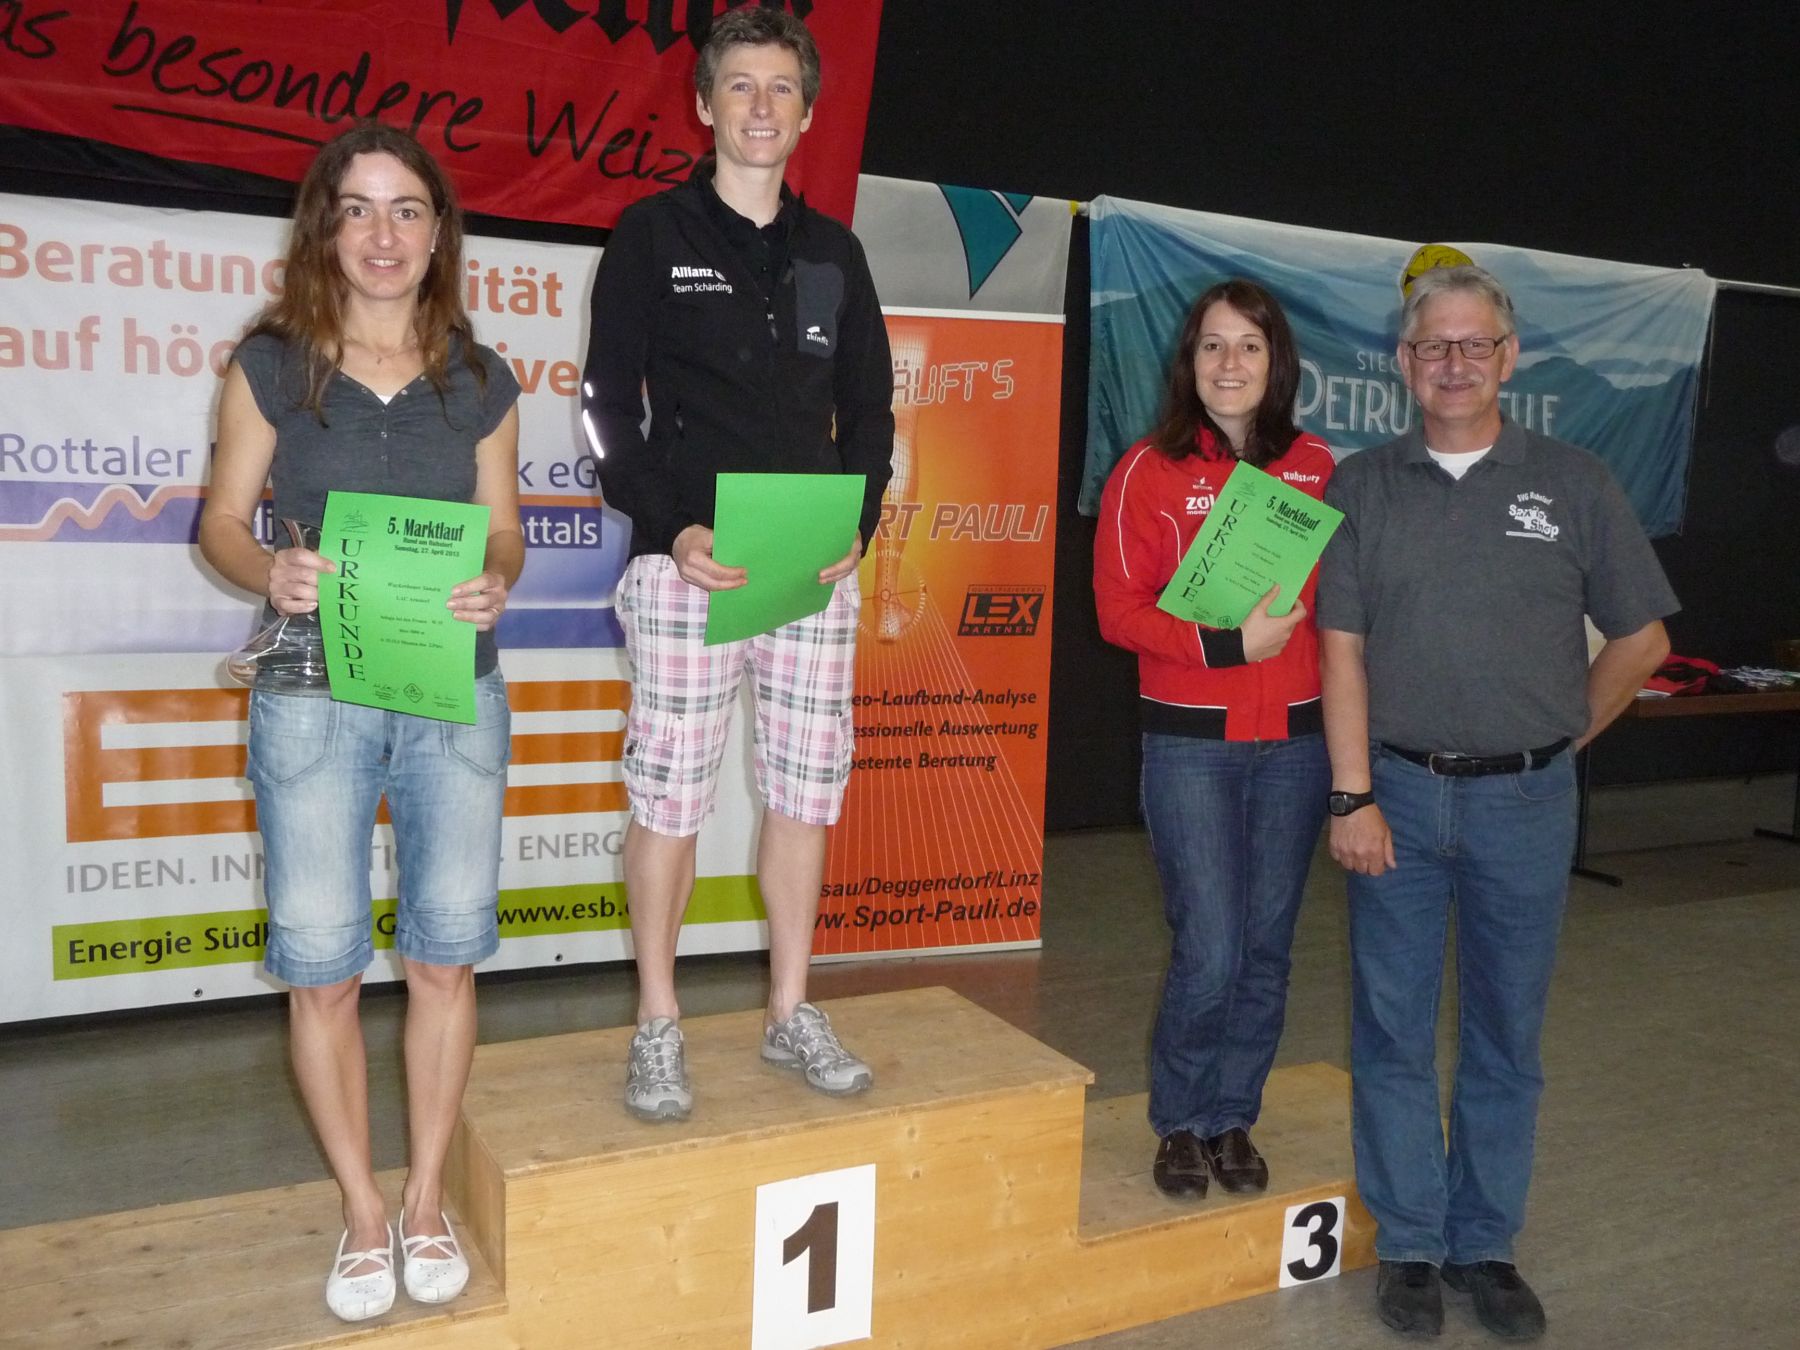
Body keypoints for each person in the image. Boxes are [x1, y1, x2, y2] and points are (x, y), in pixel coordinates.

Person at [198, 123, 523, 1323]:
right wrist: (268, 570)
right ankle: (364, 1214)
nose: (383, 234)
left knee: (443, 956)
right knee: (324, 968)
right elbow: (221, 525)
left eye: (406, 210)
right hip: (311, 692)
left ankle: (426, 1198)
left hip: (454, 690)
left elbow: (504, 528)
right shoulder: (272, 365)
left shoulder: (482, 378)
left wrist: (499, 578)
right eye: (358, 209)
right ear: (324, 229)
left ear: (438, 232)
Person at [1317, 264, 1675, 1341]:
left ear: (1509, 359)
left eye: (1476, 344)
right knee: (1390, 1029)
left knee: (1507, 1033)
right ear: (1404, 362)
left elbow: (1644, 639)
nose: (1456, 363)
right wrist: (1352, 795)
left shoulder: (1574, 482)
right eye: (1435, 345)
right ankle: (1411, 1242)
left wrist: (1563, 739)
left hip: (1527, 805)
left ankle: (1484, 1242)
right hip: (1397, 796)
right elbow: (1342, 653)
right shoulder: (1362, 486)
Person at [580, 9, 894, 1121]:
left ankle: (789, 1009)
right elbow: (607, 408)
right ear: (705, 103)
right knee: (669, 797)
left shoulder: (834, 253)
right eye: (741, 86)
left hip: (807, 568)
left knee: (805, 793)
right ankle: (658, 1022)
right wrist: (672, 528)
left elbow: (870, 411)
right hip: (685, 565)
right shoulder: (651, 234)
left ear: (806, 115)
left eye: (782, 89)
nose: (762, 107)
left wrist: (857, 524)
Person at [1093, 279, 1336, 1199]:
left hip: (1298, 748)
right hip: (1192, 746)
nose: (1229, 363)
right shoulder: (1145, 471)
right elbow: (1117, 612)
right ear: (1188, 361)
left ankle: (1234, 1116)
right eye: (1212, 346)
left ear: (1278, 363)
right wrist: (1226, 646)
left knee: (1268, 948)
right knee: (1212, 948)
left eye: (1249, 346)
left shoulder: (1317, 465)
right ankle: (1181, 1120)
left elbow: (1344, 609)